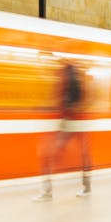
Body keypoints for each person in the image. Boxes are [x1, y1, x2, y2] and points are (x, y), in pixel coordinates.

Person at [34, 58, 92, 201]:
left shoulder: (67, 75)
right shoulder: (79, 76)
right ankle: (87, 188)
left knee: (47, 154)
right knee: (84, 154)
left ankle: (47, 193)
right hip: (77, 121)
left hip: (69, 120)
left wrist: (57, 110)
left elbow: (63, 99)